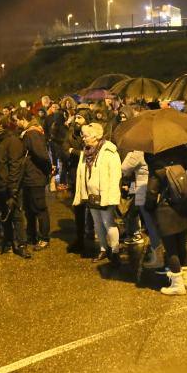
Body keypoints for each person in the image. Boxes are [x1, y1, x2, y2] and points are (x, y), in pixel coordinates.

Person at [145, 144, 187, 295]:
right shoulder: (182, 152)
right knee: (182, 243)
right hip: (183, 205)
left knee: (171, 248)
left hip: (165, 209)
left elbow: (151, 192)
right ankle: (186, 277)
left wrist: (150, 208)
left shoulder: (158, 164)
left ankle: (177, 284)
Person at [73, 123, 122, 267]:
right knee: (97, 223)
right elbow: (82, 174)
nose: (83, 138)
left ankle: (115, 250)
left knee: (108, 223)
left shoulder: (109, 152)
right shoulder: (85, 152)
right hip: (91, 194)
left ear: (96, 136)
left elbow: (115, 175)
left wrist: (112, 196)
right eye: (83, 135)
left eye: (86, 135)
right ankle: (103, 248)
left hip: (105, 194)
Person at [0, 114, 31, 258]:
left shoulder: (12, 141)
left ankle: (21, 244)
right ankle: (7, 241)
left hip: (10, 187)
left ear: (3, 124)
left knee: (16, 216)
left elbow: (15, 167)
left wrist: (13, 191)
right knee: (3, 216)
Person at [14, 108, 52, 251]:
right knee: (29, 209)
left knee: (40, 208)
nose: (16, 123)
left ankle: (44, 238)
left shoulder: (32, 133)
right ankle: (32, 235)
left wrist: (47, 171)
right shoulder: (28, 133)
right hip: (29, 176)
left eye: (17, 120)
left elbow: (41, 155)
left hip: (35, 177)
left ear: (23, 118)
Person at [122, 150, 162, 268]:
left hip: (144, 191)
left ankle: (158, 258)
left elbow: (124, 168)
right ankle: (160, 254)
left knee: (151, 225)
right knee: (156, 223)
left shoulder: (138, 152)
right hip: (156, 189)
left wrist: (130, 152)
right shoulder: (157, 150)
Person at [64, 105, 91, 253]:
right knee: (79, 207)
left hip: (90, 173)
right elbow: (64, 150)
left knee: (94, 206)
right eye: (76, 117)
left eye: (80, 117)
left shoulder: (93, 132)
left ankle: (94, 234)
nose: (77, 119)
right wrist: (75, 152)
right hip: (75, 174)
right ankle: (80, 238)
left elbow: (90, 152)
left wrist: (73, 151)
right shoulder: (71, 133)